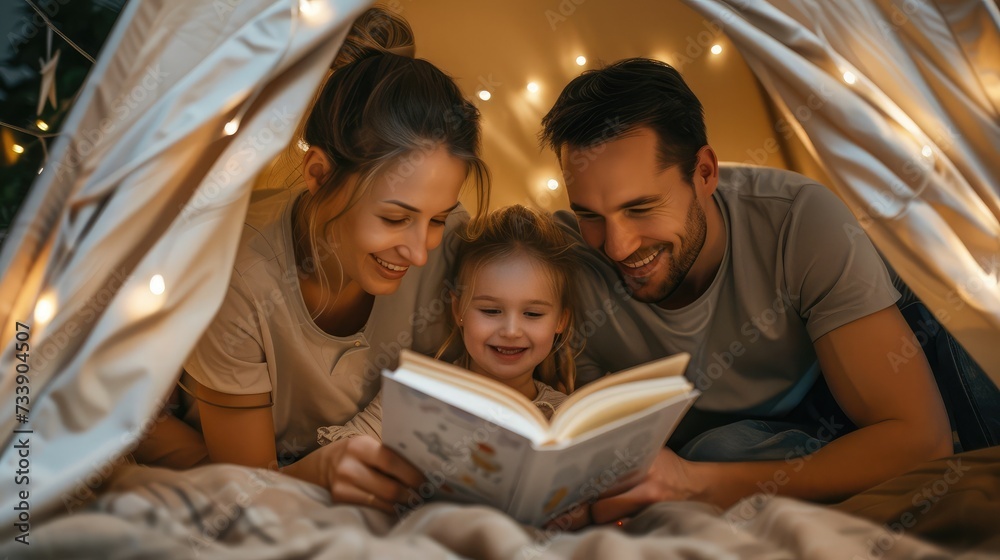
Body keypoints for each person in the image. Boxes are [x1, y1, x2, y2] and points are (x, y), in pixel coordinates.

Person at [538, 58, 952, 526]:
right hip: (723, 444)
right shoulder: (560, 260)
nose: (616, 246)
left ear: (706, 173)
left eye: (641, 208)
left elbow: (920, 439)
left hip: (835, 398)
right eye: (589, 214)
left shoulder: (799, 219)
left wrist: (695, 484)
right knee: (720, 447)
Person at [138, 8, 492, 515]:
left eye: (438, 217)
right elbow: (248, 495)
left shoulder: (455, 245)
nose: (418, 252)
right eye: (395, 218)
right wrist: (323, 471)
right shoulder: (236, 274)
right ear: (319, 173)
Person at [317, 204, 580, 445]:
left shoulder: (568, 418)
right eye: (490, 310)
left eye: (533, 314)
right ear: (458, 310)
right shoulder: (418, 388)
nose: (511, 331)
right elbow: (346, 446)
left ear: (560, 321)